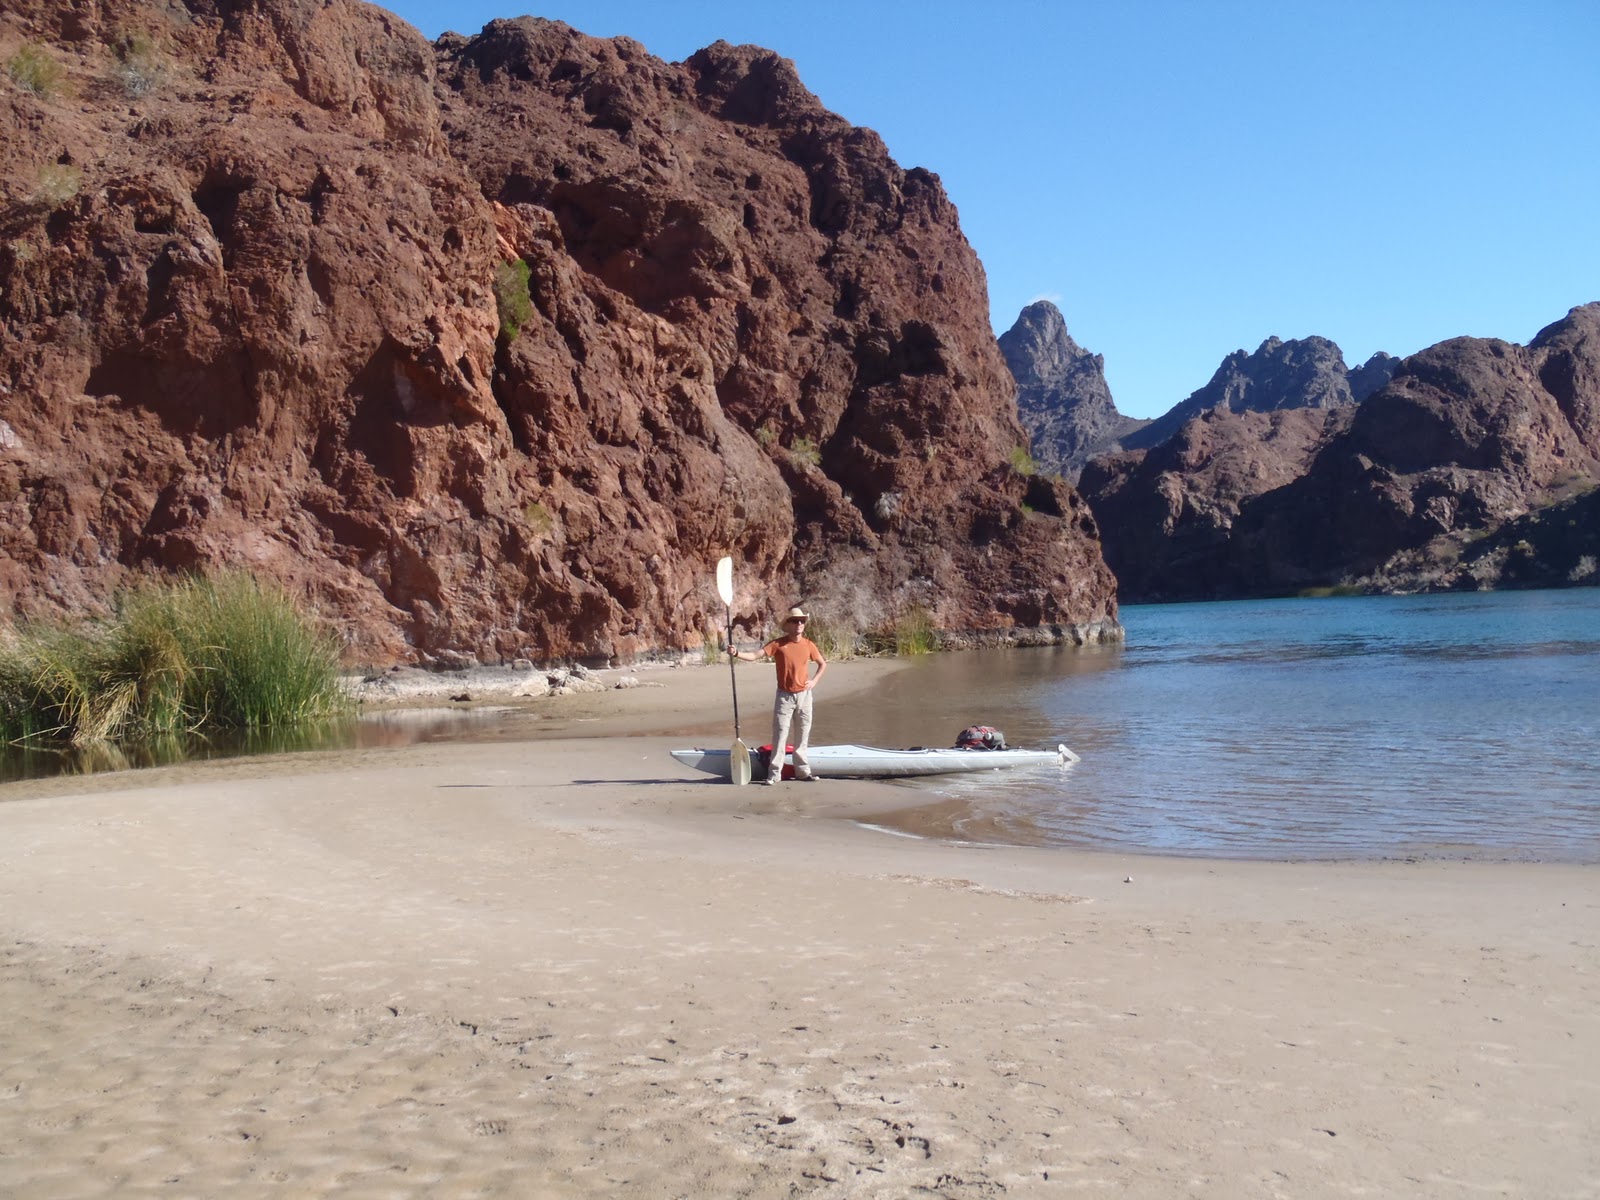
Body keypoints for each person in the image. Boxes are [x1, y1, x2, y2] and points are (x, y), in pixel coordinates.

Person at [730, 606, 828, 784]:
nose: (799, 624)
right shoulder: (778, 644)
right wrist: (736, 653)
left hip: (805, 696)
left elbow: (822, 664)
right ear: (788, 625)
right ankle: (774, 774)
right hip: (784, 697)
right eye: (795, 621)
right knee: (780, 735)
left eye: (802, 621)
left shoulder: (809, 645)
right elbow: (754, 655)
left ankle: (803, 772)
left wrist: (814, 681)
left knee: (802, 736)